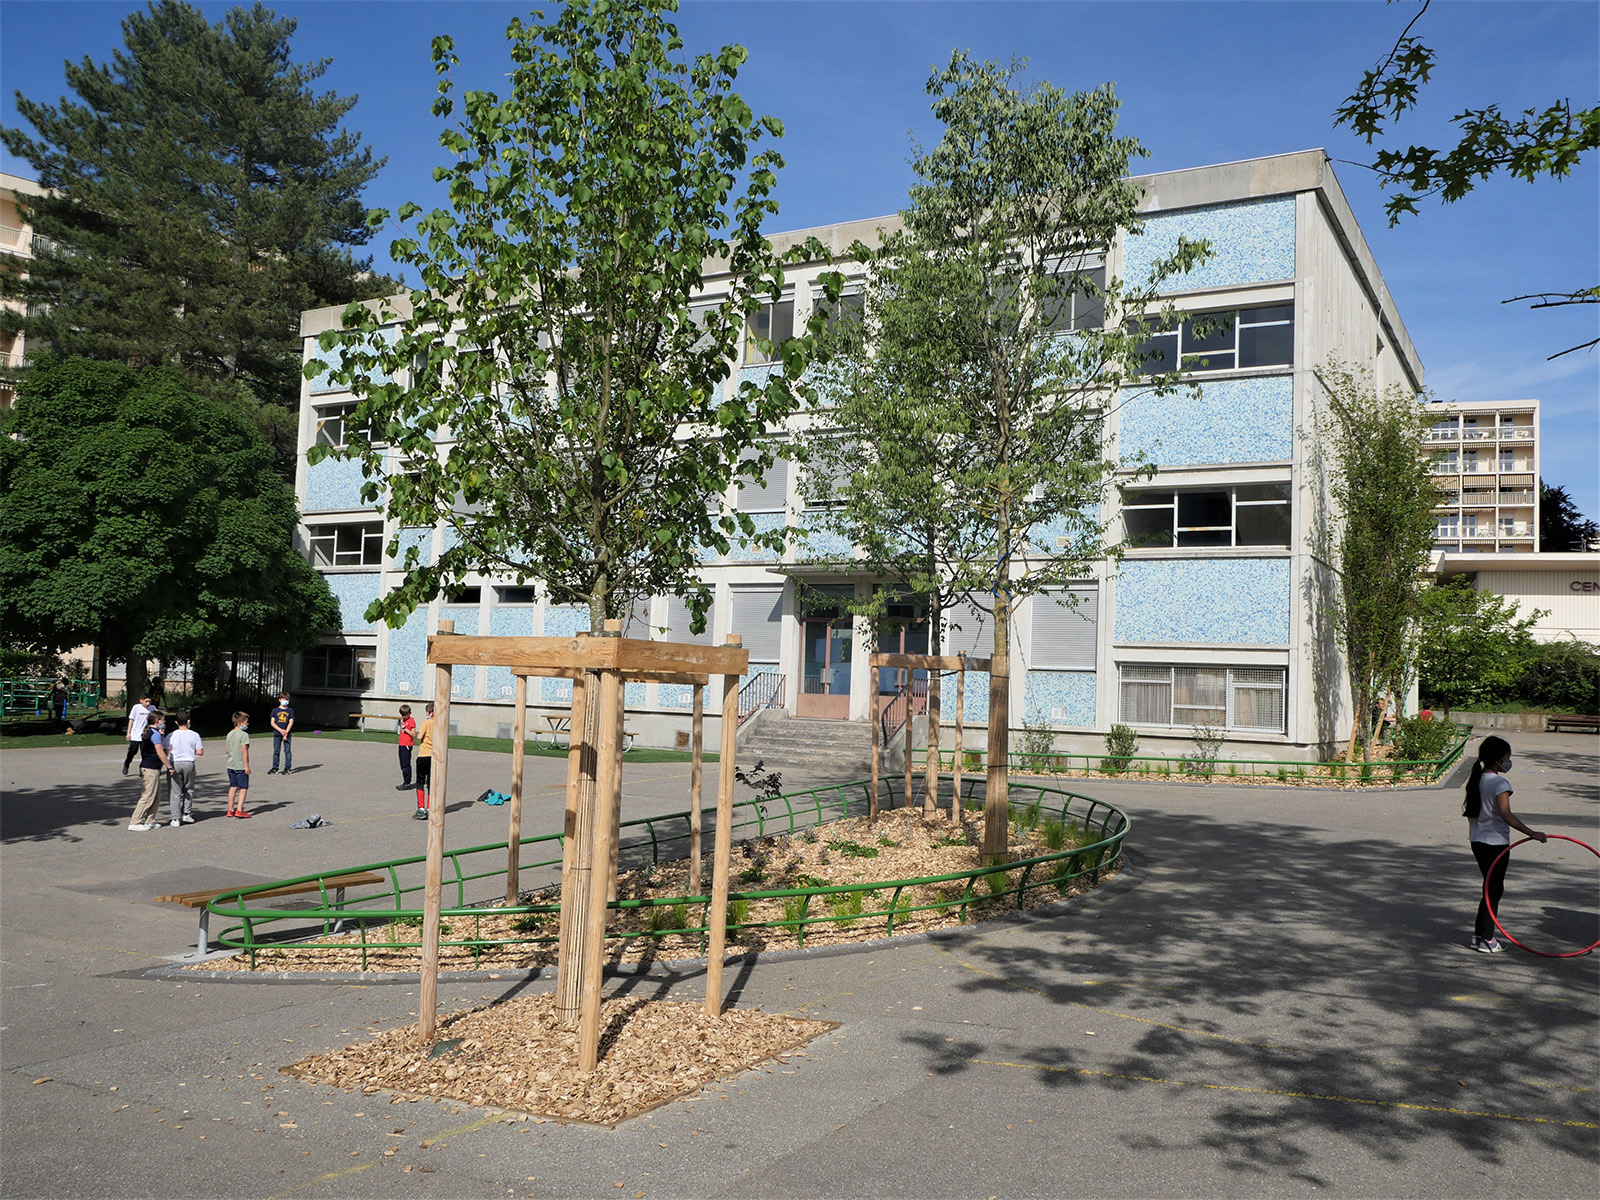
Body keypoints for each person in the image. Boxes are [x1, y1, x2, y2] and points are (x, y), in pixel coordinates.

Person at [1463, 735, 1547, 953]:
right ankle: (1487, 938)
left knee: (1490, 888)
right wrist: (1532, 833)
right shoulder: (1500, 783)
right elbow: (1506, 814)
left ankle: (1479, 935)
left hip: (1478, 841)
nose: (1510, 762)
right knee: (1493, 890)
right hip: (1494, 844)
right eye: (1508, 758)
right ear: (1499, 759)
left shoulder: (1477, 779)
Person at [128, 709, 168, 831]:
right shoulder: (154, 734)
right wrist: (169, 766)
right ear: (157, 721)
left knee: (156, 796)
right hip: (150, 768)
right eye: (163, 720)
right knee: (148, 796)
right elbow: (160, 752)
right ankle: (135, 822)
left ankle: (150, 820)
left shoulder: (154, 733)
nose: (164, 722)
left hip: (153, 768)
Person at [166, 711, 204, 825]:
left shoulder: (171, 735)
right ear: (188, 721)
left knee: (175, 790)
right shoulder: (194, 735)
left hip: (175, 762)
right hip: (188, 762)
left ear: (176, 722)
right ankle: (186, 813)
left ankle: (175, 817)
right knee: (189, 788)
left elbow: (166, 750)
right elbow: (200, 752)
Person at [225, 710, 253, 818]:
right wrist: (246, 765)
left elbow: (227, 749)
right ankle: (239, 809)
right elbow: (244, 750)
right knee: (243, 788)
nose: (247, 724)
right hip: (240, 765)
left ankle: (230, 809)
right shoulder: (244, 735)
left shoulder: (229, 734)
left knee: (233, 786)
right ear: (240, 723)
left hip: (230, 764)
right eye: (246, 722)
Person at [122, 692, 153, 776]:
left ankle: (142, 769)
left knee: (145, 753)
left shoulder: (152, 708)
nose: (148, 704)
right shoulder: (136, 708)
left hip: (145, 735)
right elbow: (131, 720)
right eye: (146, 701)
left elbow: (157, 718)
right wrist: (128, 733)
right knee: (132, 751)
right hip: (136, 734)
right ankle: (126, 764)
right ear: (141, 700)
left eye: (149, 702)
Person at [413, 702, 434, 820]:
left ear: (430, 713)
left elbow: (420, 736)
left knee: (420, 781)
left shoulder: (427, 722)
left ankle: (421, 808)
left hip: (424, 755)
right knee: (431, 782)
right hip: (434, 756)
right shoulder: (439, 723)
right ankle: (430, 807)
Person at [268, 693, 295, 775]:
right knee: (276, 751)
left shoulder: (290, 710)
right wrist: (280, 730)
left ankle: (287, 768)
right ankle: (275, 767)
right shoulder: (275, 710)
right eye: (283, 699)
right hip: (277, 733)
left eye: (286, 700)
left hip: (287, 734)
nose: (285, 701)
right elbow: (272, 723)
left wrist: (286, 732)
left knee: (287, 751)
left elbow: (291, 721)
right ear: (279, 699)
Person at [396, 704, 416, 791]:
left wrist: (405, 729)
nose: (403, 717)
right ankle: (405, 781)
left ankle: (407, 782)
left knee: (406, 764)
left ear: (409, 713)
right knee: (402, 763)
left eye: (405, 715)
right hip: (402, 744)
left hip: (407, 745)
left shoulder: (411, 721)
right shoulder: (404, 720)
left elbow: (414, 734)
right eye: (402, 715)